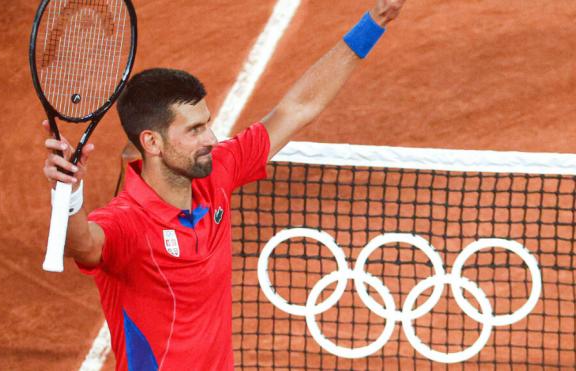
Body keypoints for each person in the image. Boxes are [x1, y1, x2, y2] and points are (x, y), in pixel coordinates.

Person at [41, 1, 406, 370]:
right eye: (195, 130)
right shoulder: (127, 222)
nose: (212, 138)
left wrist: (375, 21)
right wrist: (69, 193)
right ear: (152, 142)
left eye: (207, 123)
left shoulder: (217, 173)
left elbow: (297, 107)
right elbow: (83, 246)